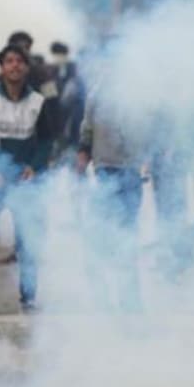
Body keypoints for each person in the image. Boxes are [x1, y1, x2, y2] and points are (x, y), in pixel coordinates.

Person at [0, 45, 52, 315]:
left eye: (19, 61)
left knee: (27, 239)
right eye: (9, 61)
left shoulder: (38, 102)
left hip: (24, 181)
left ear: (26, 67)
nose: (14, 66)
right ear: (1, 68)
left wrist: (34, 166)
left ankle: (28, 297)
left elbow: (47, 140)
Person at [76, 80, 145, 311]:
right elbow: (87, 128)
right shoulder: (98, 91)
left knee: (128, 235)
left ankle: (129, 300)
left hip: (132, 170)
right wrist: (83, 155)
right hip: (106, 167)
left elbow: (151, 126)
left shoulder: (140, 88)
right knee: (107, 234)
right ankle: (103, 299)